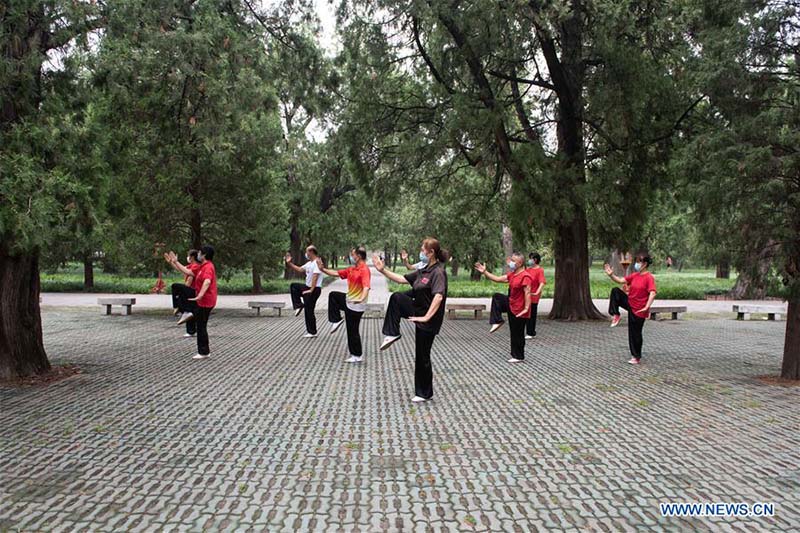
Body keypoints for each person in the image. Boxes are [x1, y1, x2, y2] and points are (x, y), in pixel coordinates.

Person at [374, 238, 448, 403]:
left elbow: (438, 296)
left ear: (431, 253)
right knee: (397, 297)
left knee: (423, 354)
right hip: (418, 311)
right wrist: (382, 270)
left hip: (429, 318)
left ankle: (424, 393)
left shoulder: (438, 272)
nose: (421, 252)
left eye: (423, 249)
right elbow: (402, 279)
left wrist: (427, 317)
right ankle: (392, 333)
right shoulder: (424, 270)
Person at [474, 253, 533, 363]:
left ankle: (518, 356)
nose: (511, 263)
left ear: (520, 263)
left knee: (517, 332)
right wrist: (485, 272)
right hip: (511, 304)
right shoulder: (512, 275)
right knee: (497, 297)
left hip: (520, 309)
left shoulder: (525, 276)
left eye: (513, 261)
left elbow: (528, 293)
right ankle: (497, 320)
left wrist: (526, 308)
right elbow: (497, 279)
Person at [316, 246, 371, 363]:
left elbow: (366, 286)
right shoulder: (351, 269)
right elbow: (336, 273)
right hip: (348, 300)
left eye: (353, 255)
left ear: (359, 256)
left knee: (352, 330)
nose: (351, 257)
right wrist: (323, 269)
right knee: (333, 295)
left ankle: (357, 355)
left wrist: (361, 299)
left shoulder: (364, 270)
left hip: (357, 305)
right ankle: (336, 319)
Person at [604, 255, 657, 365]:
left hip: (640, 309)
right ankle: (615, 314)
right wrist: (611, 275)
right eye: (637, 261)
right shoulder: (635, 275)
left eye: (639, 262)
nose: (637, 264)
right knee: (615, 291)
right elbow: (620, 280)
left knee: (635, 333)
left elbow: (652, 292)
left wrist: (647, 307)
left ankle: (636, 356)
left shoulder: (649, 277)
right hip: (630, 303)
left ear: (645, 264)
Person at [285, 246, 324, 337]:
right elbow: (300, 269)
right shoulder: (309, 263)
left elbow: (315, 276)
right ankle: (298, 305)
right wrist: (289, 263)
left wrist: (311, 289)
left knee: (309, 310)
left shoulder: (317, 263)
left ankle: (312, 332)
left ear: (311, 252)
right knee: (294, 286)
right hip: (308, 287)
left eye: (307, 252)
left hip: (314, 289)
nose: (306, 254)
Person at [187, 245, 218, 360]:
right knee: (201, 325)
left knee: (201, 326)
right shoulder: (202, 266)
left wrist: (200, 295)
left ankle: (204, 352)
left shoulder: (208, 267)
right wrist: (174, 262)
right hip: (202, 301)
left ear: (204, 255)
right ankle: (204, 351)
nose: (198, 254)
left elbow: (207, 281)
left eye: (200, 252)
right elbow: (187, 271)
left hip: (206, 301)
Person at [164, 249, 202, 337]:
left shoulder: (196, 266)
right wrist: (171, 262)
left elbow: (186, 271)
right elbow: (180, 268)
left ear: (192, 257)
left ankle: (176, 306)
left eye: (188, 256)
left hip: (193, 290)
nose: (187, 257)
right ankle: (191, 331)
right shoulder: (191, 265)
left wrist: (176, 261)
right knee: (189, 312)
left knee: (175, 286)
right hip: (190, 290)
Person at [525, 252, 546, 340]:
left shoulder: (539, 270)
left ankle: (531, 332)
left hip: (533, 295)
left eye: (530, 258)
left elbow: (542, 282)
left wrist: (537, 292)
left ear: (535, 260)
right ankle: (529, 331)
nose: (529, 260)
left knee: (532, 314)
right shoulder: (528, 269)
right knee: (526, 313)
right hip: (526, 295)